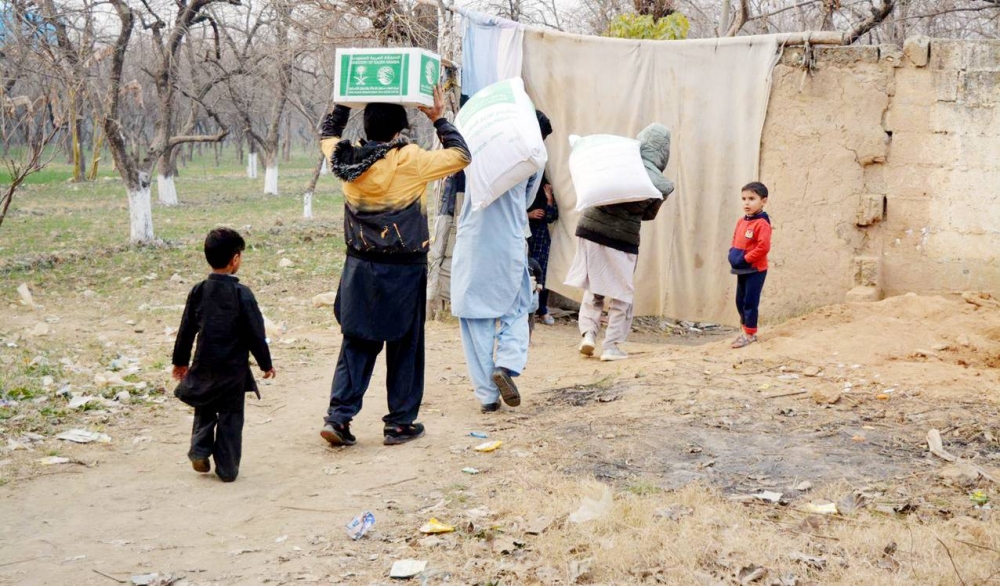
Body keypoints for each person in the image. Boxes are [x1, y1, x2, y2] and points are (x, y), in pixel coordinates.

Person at [318, 87, 471, 446]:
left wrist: (344, 98)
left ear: (366, 127)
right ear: (400, 129)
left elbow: (328, 134)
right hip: (404, 270)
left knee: (356, 343)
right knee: (405, 345)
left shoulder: (345, 159)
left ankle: (339, 419)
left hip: (359, 267)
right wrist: (438, 118)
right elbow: (461, 155)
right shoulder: (411, 160)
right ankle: (399, 423)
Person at [451, 111, 552, 413]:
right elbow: (526, 201)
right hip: (507, 242)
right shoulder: (534, 158)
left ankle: (486, 397)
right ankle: (506, 365)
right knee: (518, 308)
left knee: (475, 319)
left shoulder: (476, 149)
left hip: (472, 242)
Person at [172, 227, 276, 483]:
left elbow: (186, 329)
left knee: (204, 408)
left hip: (205, 365)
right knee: (231, 418)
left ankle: (199, 450)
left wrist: (180, 362)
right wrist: (266, 364)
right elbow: (255, 333)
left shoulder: (198, 290)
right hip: (233, 372)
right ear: (235, 259)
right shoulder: (242, 294)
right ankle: (227, 469)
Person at [566, 123, 674, 362]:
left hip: (589, 230)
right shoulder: (663, 184)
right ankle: (612, 346)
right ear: (664, 152)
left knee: (594, 287)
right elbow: (649, 215)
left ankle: (588, 335)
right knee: (621, 293)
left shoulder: (617, 161)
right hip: (622, 239)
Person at [728, 181, 772, 349]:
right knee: (740, 300)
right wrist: (732, 252)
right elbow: (735, 238)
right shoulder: (742, 221)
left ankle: (750, 334)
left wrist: (746, 258)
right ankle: (744, 329)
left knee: (749, 301)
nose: (747, 203)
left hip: (755, 269)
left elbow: (763, 247)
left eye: (752, 198)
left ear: (763, 200)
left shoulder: (762, 223)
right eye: (744, 198)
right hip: (741, 268)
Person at [527, 170, 559, 325]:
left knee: (541, 272)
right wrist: (528, 214)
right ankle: (523, 308)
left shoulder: (545, 188)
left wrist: (549, 200)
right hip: (522, 232)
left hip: (539, 236)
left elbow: (551, 217)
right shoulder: (521, 185)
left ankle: (542, 310)